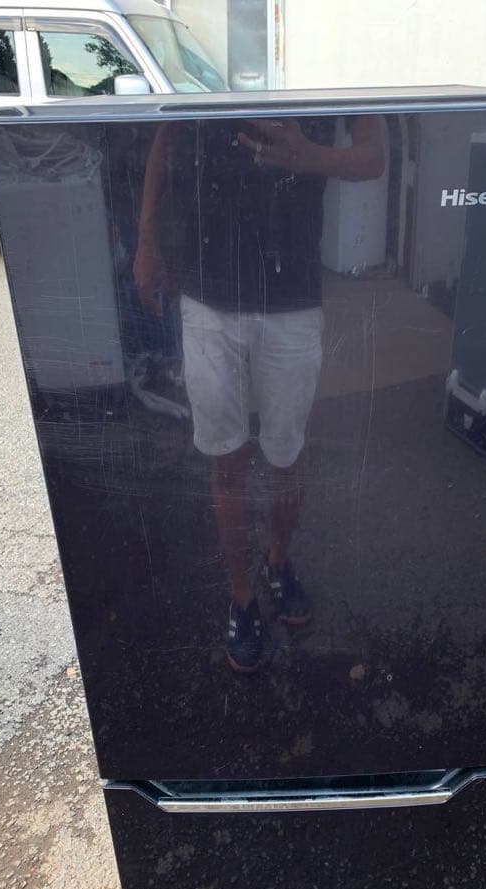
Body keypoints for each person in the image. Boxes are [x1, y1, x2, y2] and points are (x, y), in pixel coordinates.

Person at [134, 112, 384, 672]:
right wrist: (147, 240)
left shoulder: (335, 70)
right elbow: (165, 136)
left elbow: (373, 157)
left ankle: (278, 560)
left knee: (284, 457)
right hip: (206, 294)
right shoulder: (198, 74)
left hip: (292, 297)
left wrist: (310, 156)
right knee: (225, 460)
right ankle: (242, 597)